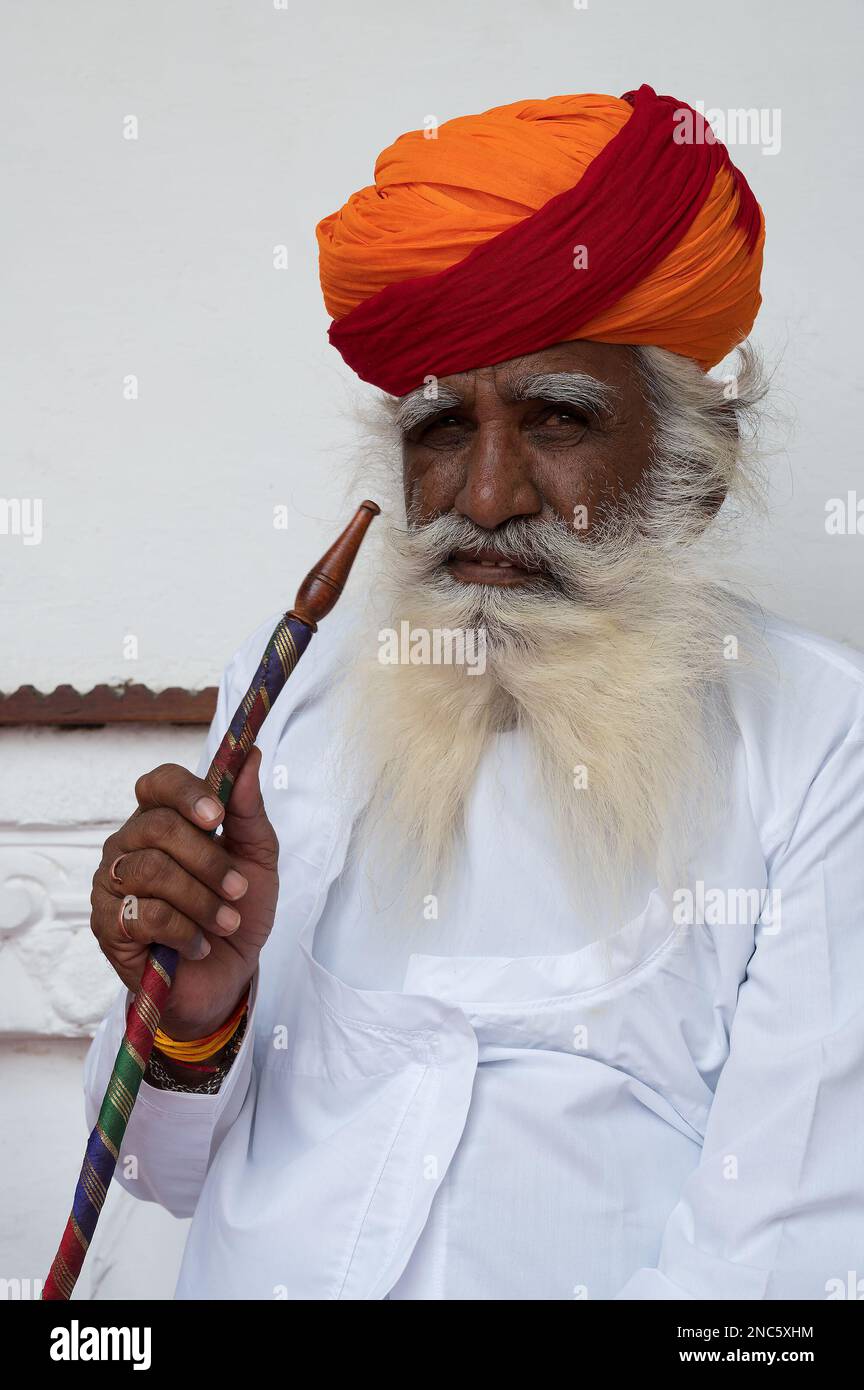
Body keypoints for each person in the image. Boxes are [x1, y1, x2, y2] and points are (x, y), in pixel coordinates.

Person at [84, 85, 864, 1300]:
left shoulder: (820, 740)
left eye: (558, 417)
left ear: (692, 472)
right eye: (445, 425)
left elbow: (781, 1278)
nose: (488, 493)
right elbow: (155, 1174)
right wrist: (193, 1016)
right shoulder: (292, 688)